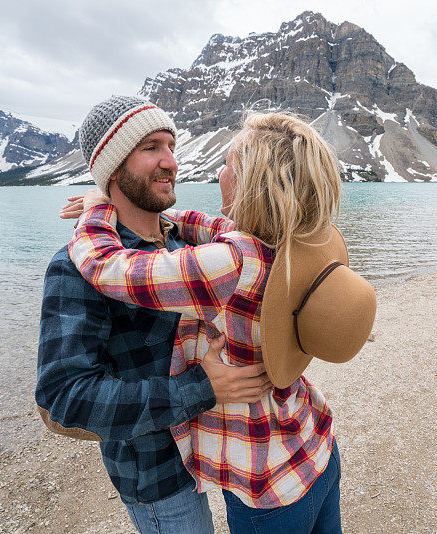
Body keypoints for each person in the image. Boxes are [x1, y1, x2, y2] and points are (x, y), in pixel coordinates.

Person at [64, 112, 376, 533]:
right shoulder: (295, 240)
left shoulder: (229, 265)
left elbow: (105, 265)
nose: (218, 172)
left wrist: (99, 207)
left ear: (252, 181)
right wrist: (166, 220)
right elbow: (216, 226)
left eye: (228, 164)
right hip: (315, 443)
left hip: (269, 482)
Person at [36, 95, 272, 534]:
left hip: (214, 446)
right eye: (151, 148)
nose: (170, 162)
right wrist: (201, 388)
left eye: (171, 146)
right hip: (159, 475)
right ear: (112, 169)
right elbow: (62, 396)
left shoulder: (185, 246)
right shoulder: (74, 266)